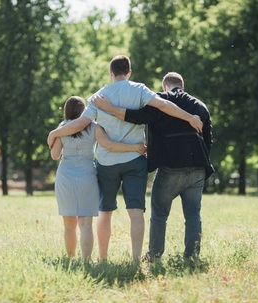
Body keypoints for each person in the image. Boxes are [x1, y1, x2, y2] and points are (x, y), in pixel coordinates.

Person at [47, 55, 203, 262]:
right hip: (135, 158)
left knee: (105, 212)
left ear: (111, 73)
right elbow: (164, 105)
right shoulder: (139, 90)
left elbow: (79, 124)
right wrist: (189, 117)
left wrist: (54, 133)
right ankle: (136, 260)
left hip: (106, 163)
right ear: (129, 72)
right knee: (136, 212)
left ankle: (102, 259)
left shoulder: (98, 96)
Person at [92, 72, 214, 263]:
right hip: (197, 167)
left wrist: (108, 108)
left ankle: (155, 256)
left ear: (164, 86)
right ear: (183, 85)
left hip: (170, 167)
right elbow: (208, 141)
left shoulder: (160, 102)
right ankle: (191, 257)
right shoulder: (200, 106)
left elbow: (136, 117)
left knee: (159, 214)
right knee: (193, 215)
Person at [50, 96, 147, 261]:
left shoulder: (61, 129)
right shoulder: (94, 127)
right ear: (83, 111)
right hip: (87, 176)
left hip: (65, 177)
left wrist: (52, 138)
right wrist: (135, 148)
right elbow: (109, 145)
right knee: (85, 224)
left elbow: (54, 155)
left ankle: (71, 258)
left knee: (69, 225)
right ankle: (87, 261)